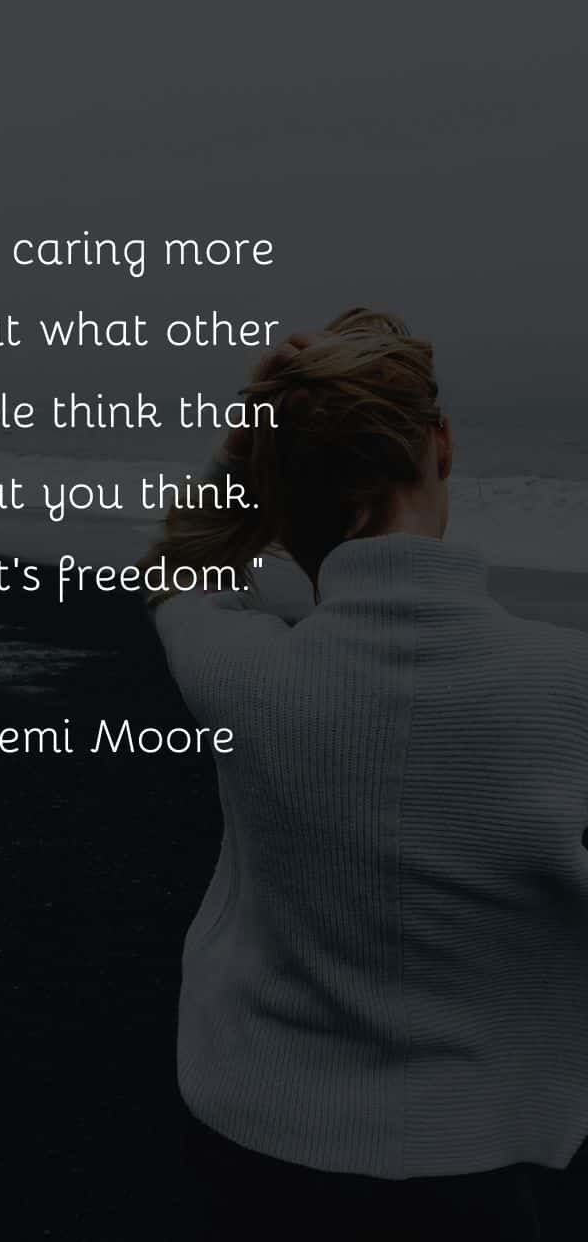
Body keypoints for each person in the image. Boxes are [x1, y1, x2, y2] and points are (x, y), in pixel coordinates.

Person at [140, 308, 588, 1239]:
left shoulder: (242, 666)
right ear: (444, 444)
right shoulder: (567, 687)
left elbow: (177, 570)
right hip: (477, 1153)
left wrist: (251, 445)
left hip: (250, 1135)